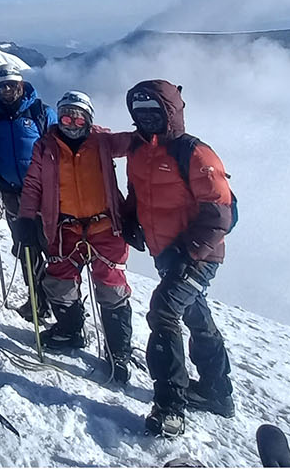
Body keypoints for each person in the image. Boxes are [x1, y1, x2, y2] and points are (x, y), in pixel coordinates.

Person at [116, 79, 236, 438]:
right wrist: (129, 221)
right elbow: (138, 192)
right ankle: (217, 392)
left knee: (164, 310)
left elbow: (220, 213)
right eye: (141, 113)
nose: (147, 119)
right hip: (166, 251)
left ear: (170, 112)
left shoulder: (194, 153)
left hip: (198, 254)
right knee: (195, 313)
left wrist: (191, 253)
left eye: (155, 112)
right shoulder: (139, 151)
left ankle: (170, 407)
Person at [17, 91, 133, 382]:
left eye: (78, 115)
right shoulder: (45, 147)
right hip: (64, 228)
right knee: (59, 281)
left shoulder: (103, 142)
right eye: (65, 115)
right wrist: (26, 219)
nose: (70, 122)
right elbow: (32, 185)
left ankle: (117, 350)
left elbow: (137, 141)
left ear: (89, 118)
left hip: (105, 227)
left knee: (112, 288)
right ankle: (70, 331)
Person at [0, 64, 52, 323]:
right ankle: (38, 300)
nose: (7, 90)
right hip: (11, 193)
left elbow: (59, 152)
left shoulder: (41, 112)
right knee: (25, 248)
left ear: (21, 85)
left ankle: (62, 303)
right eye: (1, 87)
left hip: (43, 194)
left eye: (11, 85)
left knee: (51, 248)